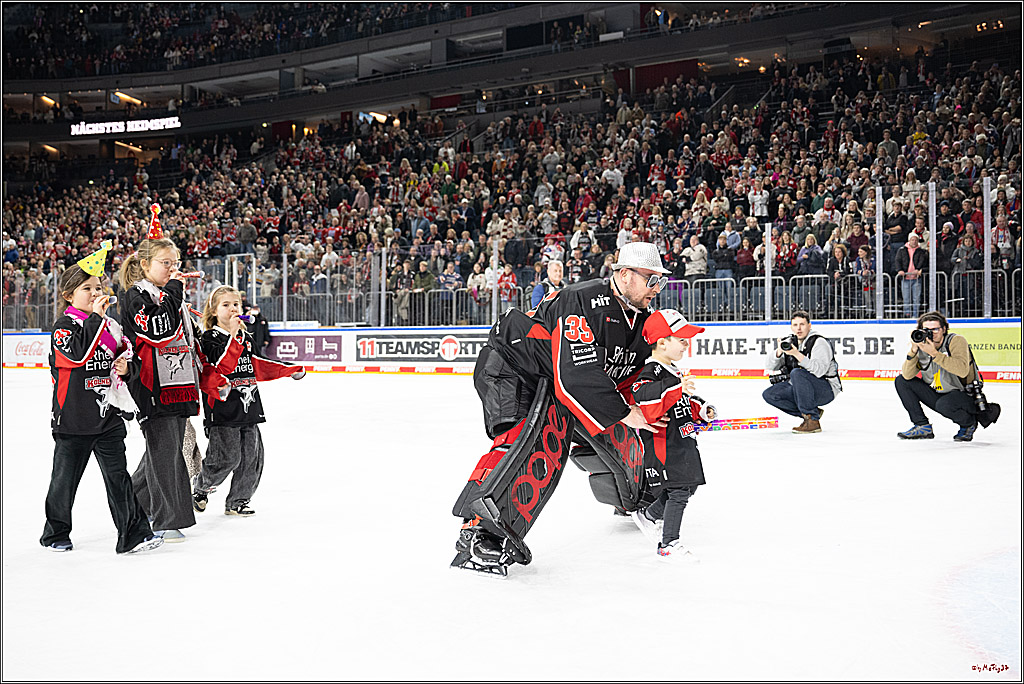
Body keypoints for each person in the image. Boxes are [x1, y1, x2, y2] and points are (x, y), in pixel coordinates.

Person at [450, 242, 670, 576]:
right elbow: (576, 376)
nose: (657, 288)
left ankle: (630, 497)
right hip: (514, 367)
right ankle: (480, 533)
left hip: (552, 381)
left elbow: (624, 380)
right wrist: (625, 411)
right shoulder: (582, 300)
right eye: (651, 279)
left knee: (608, 431)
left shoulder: (642, 322)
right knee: (524, 439)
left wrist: (660, 402)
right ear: (624, 275)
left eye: (661, 282)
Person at [41, 256, 162, 555]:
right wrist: (95, 318)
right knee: (64, 482)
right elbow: (78, 355)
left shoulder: (111, 326)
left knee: (118, 478)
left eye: (98, 287)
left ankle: (133, 534)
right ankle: (55, 532)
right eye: (87, 289)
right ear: (69, 295)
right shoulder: (63, 327)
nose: (96, 294)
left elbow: (126, 361)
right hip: (73, 419)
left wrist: (126, 369)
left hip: (108, 418)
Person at [119, 211, 218, 543]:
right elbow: (158, 331)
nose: (174, 269)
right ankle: (165, 520)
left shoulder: (169, 296)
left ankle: (132, 506)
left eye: (176, 262)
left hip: (177, 385)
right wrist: (176, 289)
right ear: (145, 266)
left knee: (164, 449)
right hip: (152, 387)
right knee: (166, 451)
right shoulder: (136, 296)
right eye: (166, 263)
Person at [194, 286, 305, 516]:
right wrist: (233, 337)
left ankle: (238, 500)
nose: (233, 308)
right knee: (226, 458)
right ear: (214, 311)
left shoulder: (245, 338)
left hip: (249, 408)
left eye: (236, 304)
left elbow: (257, 365)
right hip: (223, 412)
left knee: (252, 459)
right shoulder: (209, 339)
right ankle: (201, 487)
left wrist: (289, 370)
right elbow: (222, 366)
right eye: (226, 305)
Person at [629, 309, 716, 560]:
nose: (686, 345)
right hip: (663, 445)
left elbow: (682, 403)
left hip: (683, 441)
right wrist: (676, 389)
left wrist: (701, 410)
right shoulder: (652, 372)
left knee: (688, 487)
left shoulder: (673, 370)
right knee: (679, 490)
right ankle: (668, 543)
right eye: (681, 339)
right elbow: (644, 398)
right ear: (662, 342)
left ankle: (648, 515)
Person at [895, 311, 998, 442]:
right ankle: (922, 425)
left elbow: (962, 370)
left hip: (962, 394)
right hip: (937, 392)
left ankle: (968, 423)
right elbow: (907, 375)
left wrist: (934, 354)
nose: (931, 333)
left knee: (944, 404)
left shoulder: (955, 341)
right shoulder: (922, 345)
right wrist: (913, 351)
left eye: (935, 329)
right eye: (927, 330)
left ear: (944, 329)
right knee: (902, 381)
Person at [762, 310, 842, 433]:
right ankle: (812, 412)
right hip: (803, 389)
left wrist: (796, 354)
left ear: (809, 326)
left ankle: (812, 420)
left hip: (826, 389)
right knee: (770, 394)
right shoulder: (790, 342)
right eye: (795, 325)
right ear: (791, 327)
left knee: (796, 373)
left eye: (802, 325)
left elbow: (819, 371)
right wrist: (779, 351)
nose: (798, 329)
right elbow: (769, 366)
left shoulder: (819, 342)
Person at [896, 233, 927, 318]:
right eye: (912, 240)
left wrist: (919, 269)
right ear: (909, 240)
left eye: (916, 240)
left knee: (916, 298)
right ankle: (907, 315)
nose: (914, 242)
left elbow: (922, 261)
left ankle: (915, 315)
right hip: (905, 278)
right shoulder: (902, 250)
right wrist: (900, 270)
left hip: (916, 278)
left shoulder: (921, 251)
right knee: (906, 298)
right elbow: (898, 261)